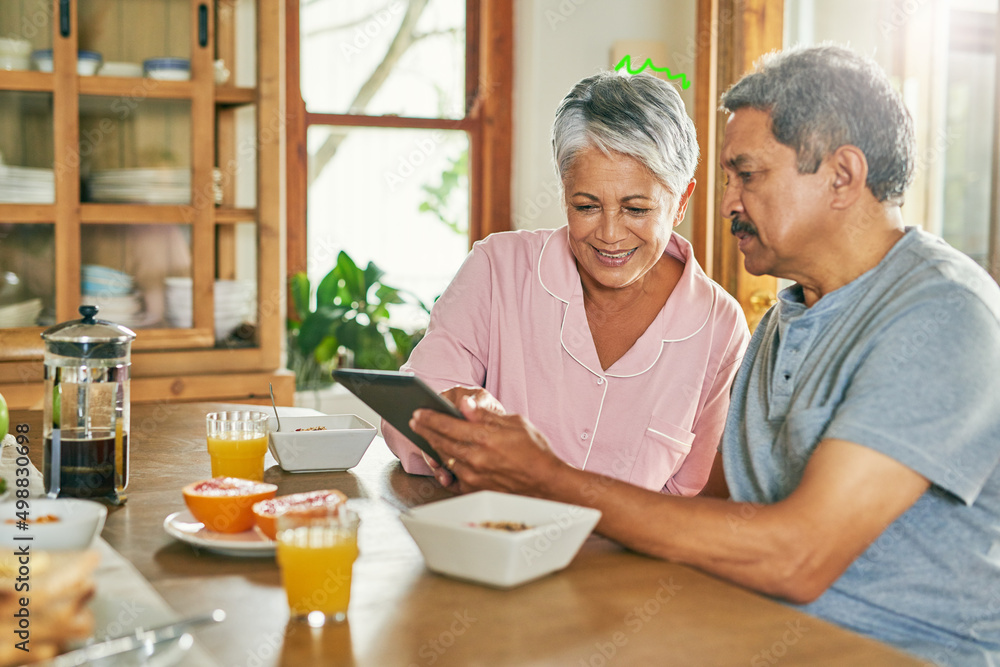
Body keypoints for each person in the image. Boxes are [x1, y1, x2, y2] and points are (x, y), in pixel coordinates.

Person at [409, 45, 1000, 666]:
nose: (727, 204)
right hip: (743, 632)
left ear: (842, 177)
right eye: (728, 178)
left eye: (749, 175)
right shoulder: (781, 323)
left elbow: (798, 557)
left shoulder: (942, 314)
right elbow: (697, 522)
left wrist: (544, 477)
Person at [384, 71, 750, 496]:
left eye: (636, 209)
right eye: (586, 205)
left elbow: (691, 500)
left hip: (626, 564)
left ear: (681, 201)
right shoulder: (496, 269)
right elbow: (407, 414)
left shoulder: (719, 327)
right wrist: (446, 422)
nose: (610, 234)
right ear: (564, 192)